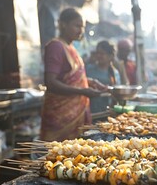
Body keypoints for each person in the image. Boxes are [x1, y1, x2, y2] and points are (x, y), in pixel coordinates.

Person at [40, 8, 108, 141]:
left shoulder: (71, 48)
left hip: (76, 113)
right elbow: (51, 82)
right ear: (63, 25)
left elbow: (69, 77)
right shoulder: (56, 47)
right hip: (60, 115)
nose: (81, 30)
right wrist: (82, 91)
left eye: (82, 26)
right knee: (56, 154)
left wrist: (90, 81)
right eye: (77, 26)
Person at [86, 40, 121, 113]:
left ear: (110, 56)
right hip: (89, 111)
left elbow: (117, 94)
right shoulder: (89, 69)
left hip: (105, 112)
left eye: (102, 53)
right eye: (97, 53)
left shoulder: (115, 73)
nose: (99, 56)